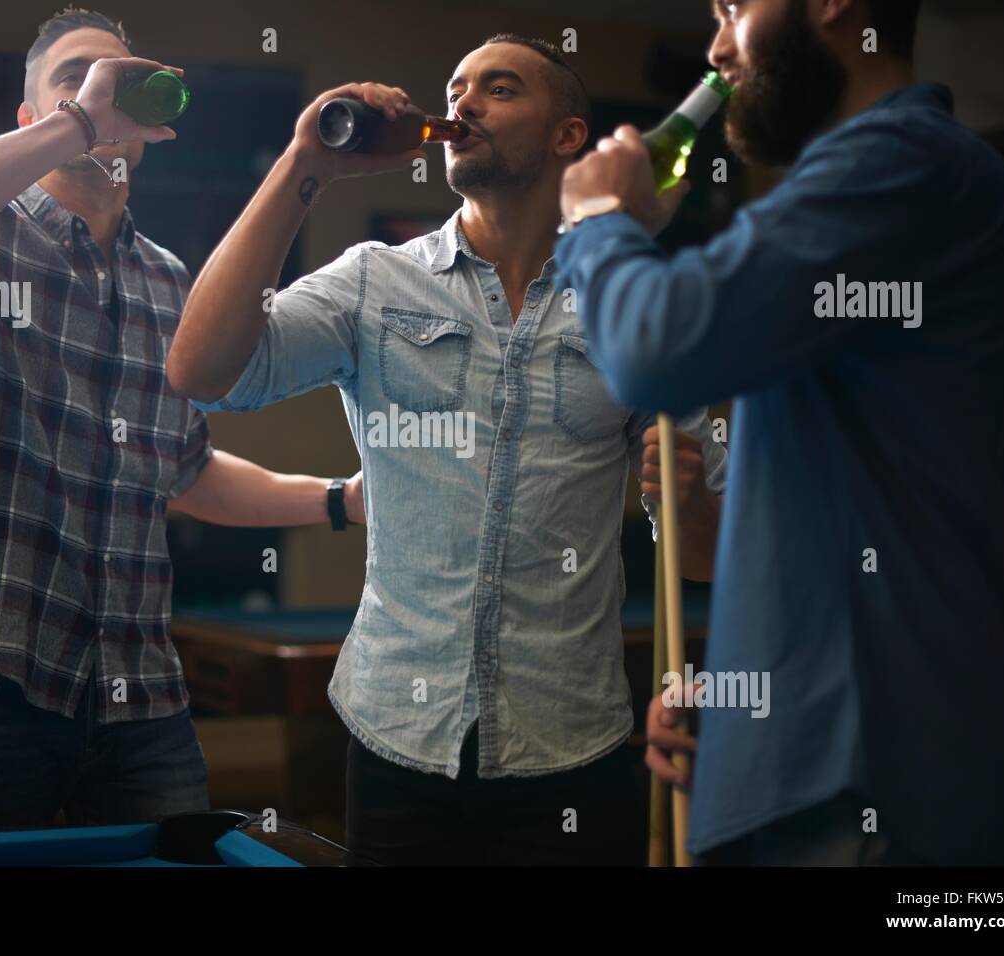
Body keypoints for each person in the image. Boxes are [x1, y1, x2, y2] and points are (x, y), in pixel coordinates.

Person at [167, 34, 727, 866]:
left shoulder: (631, 299)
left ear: (568, 135)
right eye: (458, 89)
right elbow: (203, 371)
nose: (463, 105)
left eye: (500, 90)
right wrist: (305, 163)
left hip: (574, 749)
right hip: (399, 740)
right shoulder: (372, 280)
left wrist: (691, 502)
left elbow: (705, 561)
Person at [0, 6, 362, 833]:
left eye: (117, 80)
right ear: (33, 119)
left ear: (146, 131)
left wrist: (340, 500)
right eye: (72, 78)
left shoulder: (169, 280)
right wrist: (79, 124)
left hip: (143, 692)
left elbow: (187, 468)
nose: (101, 92)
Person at [556, 0, 1004, 865]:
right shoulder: (879, 193)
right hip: (843, 761)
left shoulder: (905, 160)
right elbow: (832, 525)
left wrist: (598, 220)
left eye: (733, 9)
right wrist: (757, 708)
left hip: (889, 782)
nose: (719, 49)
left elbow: (656, 349)